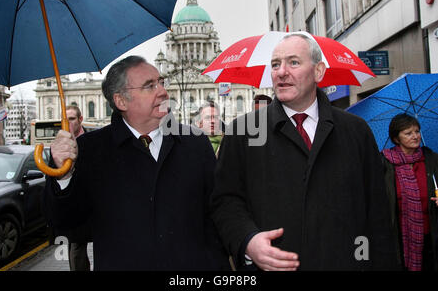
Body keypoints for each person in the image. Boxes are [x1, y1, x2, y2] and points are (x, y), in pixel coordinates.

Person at [210, 33, 399, 271]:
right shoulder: (242, 132)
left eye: (294, 62)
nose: (281, 72)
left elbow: (378, 214)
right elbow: (225, 201)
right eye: (276, 64)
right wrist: (247, 241)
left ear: (318, 72)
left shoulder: (356, 131)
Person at [43, 56, 227, 270]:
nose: (163, 92)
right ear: (121, 100)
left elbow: (218, 214)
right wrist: (64, 176)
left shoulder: (195, 143)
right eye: (150, 86)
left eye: (161, 82)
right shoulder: (89, 150)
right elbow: (66, 224)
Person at [381, 113, 438, 271]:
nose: (415, 136)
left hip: (431, 237)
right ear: (396, 138)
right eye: (408, 133)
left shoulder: (431, 159)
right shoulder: (384, 162)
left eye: (417, 131)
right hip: (400, 238)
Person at [64, 105, 91, 271]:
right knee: (76, 251)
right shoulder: (59, 147)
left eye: (72, 119)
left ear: (80, 120)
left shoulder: (93, 141)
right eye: (65, 120)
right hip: (75, 208)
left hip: (97, 205)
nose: (68, 124)